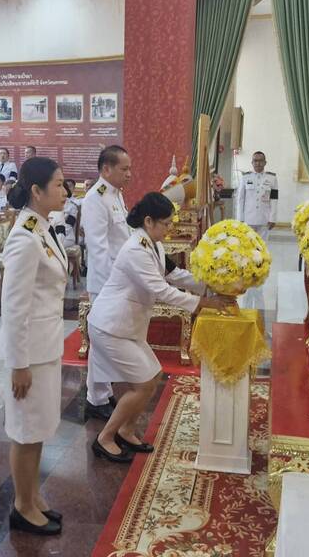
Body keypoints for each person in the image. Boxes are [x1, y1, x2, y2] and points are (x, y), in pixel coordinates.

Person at [88, 193, 230, 462]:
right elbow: (161, 289)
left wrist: (212, 283)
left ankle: (127, 430)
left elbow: (174, 275)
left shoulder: (152, 243)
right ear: (149, 220)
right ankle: (105, 438)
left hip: (126, 326)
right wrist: (203, 302)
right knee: (142, 384)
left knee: (152, 377)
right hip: (110, 326)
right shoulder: (134, 249)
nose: (169, 229)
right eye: (165, 224)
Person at [0, 157, 68, 535]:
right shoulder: (24, 237)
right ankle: (22, 506)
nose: (64, 191)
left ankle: (32, 494)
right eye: (57, 185)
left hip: (46, 345)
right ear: (36, 191)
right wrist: (19, 363)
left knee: (38, 426)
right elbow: (14, 307)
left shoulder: (41, 226)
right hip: (30, 353)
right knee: (25, 430)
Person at [80, 144, 132, 420]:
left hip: (118, 280)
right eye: (124, 169)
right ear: (106, 169)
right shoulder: (95, 198)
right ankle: (95, 397)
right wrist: (113, 285)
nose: (129, 174)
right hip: (105, 282)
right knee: (102, 340)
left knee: (109, 339)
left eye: (129, 168)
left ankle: (102, 391)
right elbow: (98, 248)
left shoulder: (115, 194)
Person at [236, 151, 278, 240]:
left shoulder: (272, 178)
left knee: (262, 246)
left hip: (264, 218)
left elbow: (274, 199)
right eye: (255, 161)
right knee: (248, 245)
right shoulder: (245, 177)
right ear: (252, 162)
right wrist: (240, 218)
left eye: (261, 161)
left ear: (265, 162)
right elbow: (240, 199)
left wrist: (272, 218)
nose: (258, 163)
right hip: (248, 218)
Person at [57, 179, 81, 248]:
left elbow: (68, 226)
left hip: (66, 238)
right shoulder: (51, 204)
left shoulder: (72, 206)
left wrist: (56, 239)